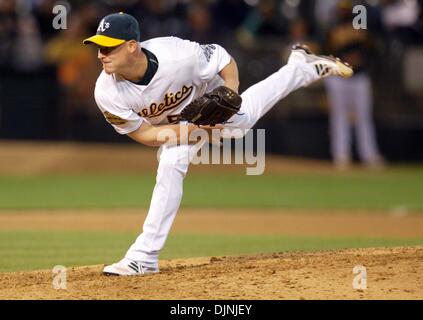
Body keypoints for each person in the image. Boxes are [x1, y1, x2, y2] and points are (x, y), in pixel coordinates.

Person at [83, 12, 353, 276]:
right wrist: (194, 129)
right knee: (171, 162)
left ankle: (300, 68)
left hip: (207, 94)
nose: (100, 54)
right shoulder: (106, 92)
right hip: (178, 124)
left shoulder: (177, 55)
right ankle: (143, 258)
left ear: (132, 47)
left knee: (241, 122)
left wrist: (229, 94)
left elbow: (224, 60)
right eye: (98, 46)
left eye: (108, 47)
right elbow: (145, 135)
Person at [324, 0, 384, 170]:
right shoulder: (332, 24)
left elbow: (370, 46)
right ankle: (341, 155)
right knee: (339, 117)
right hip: (337, 76)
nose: (344, 11)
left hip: (359, 75)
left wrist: (359, 57)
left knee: (364, 117)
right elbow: (327, 47)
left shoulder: (361, 20)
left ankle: (369, 155)